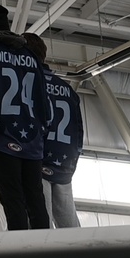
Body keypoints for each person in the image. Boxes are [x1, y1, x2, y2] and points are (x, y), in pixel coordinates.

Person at [0, 5, 51, 230]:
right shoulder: (32, 57)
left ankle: (21, 254)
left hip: (2, 139)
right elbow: (44, 101)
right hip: (32, 141)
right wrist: (39, 133)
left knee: (12, 200)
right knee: (36, 200)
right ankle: (46, 251)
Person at [22, 33, 83, 228]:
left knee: (40, 222)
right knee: (69, 224)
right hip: (64, 161)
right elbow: (78, 131)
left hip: (39, 158)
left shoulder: (30, 83)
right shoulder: (68, 91)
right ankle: (86, 257)